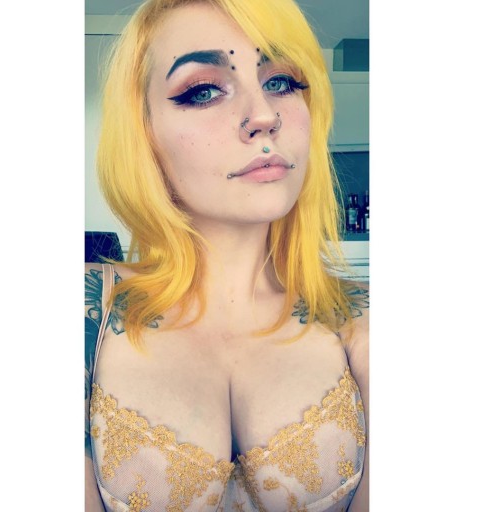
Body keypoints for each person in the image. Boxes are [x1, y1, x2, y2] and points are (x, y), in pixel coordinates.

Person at [85, 0, 369, 510]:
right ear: (144, 133)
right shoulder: (83, 312)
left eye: (281, 81)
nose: (264, 116)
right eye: (203, 90)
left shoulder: (364, 319)